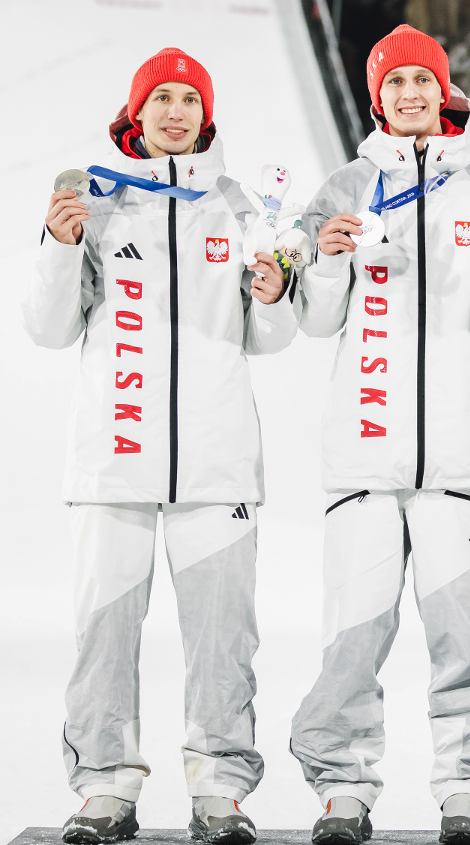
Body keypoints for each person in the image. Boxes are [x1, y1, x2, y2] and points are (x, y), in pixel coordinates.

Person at [287, 25, 470, 845]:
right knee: (352, 642)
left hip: (462, 462)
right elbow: (313, 317)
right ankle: (343, 794)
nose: (410, 94)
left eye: (423, 80)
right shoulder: (342, 186)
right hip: (365, 462)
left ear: (444, 91)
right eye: (395, 83)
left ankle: (465, 794)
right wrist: (329, 259)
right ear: (377, 97)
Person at [23, 48, 295, 844]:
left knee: (223, 641)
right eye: (161, 99)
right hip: (114, 461)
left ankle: (220, 792)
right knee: (103, 634)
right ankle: (104, 789)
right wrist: (57, 242)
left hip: (217, 466)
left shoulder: (240, 206)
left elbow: (268, 336)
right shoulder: (92, 199)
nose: (175, 112)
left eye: (188, 100)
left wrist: (275, 295)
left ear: (205, 116)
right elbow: (47, 327)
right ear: (135, 114)